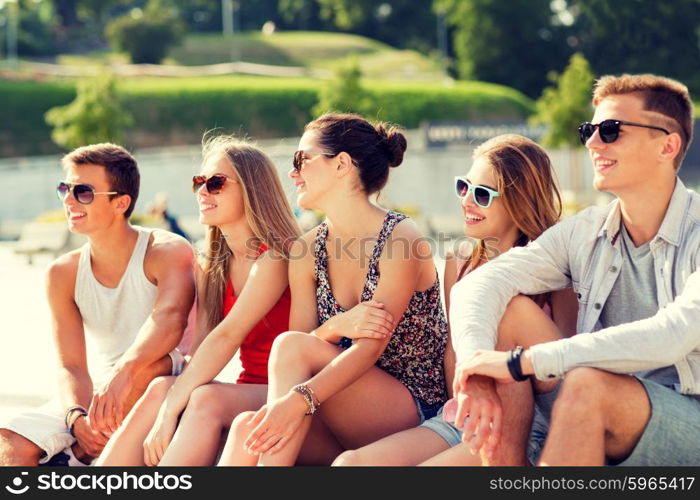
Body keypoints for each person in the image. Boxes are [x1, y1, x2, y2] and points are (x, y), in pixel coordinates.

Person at [448, 74, 700, 466]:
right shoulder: (586, 230)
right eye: (590, 131)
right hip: (588, 392)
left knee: (586, 382)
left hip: (686, 416)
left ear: (667, 145)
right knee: (510, 311)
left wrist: (520, 362)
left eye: (611, 130)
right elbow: (479, 283)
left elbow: (672, 335)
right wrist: (476, 368)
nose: (593, 143)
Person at [217, 113, 448, 466]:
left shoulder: (401, 238)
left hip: (410, 412)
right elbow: (303, 341)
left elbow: (368, 350)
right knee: (248, 429)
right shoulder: (306, 249)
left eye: (302, 159)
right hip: (335, 406)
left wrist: (296, 402)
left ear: (341, 164)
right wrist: (335, 326)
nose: (293, 173)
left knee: (288, 353)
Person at [332, 134, 577, 466]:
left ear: (520, 200)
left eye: (482, 194)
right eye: (464, 187)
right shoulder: (459, 260)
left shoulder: (556, 269)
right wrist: (465, 406)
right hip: (464, 417)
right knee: (350, 464)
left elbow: (561, 371)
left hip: (532, 424)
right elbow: (453, 349)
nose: (467, 201)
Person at [96, 136, 300, 466]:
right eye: (199, 182)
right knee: (162, 387)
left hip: (287, 393)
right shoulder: (212, 264)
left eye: (216, 183)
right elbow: (203, 345)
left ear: (252, 190)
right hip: (247, 390)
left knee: (202, 398)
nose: (203, 192)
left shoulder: (277, 259)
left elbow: (227, 336)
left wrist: (171, 410)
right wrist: (169, 396)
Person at [0, 143, 194, 466]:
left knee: (151, 367)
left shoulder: (166, 251)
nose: (69, 200)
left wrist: (125, 371)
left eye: (84, 192)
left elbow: (170, 321)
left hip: (162, 375)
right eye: (66, 188)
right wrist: (76, 416)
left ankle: (75, 459)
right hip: (100, 386)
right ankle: (76, 456)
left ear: (121, 203)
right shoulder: (62, 273)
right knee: (10, 442)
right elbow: (70, 365)